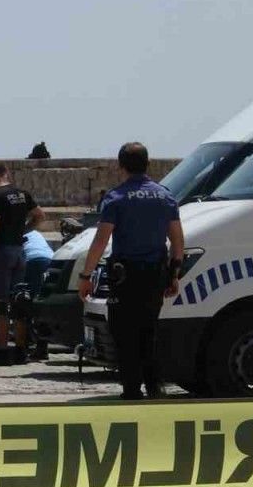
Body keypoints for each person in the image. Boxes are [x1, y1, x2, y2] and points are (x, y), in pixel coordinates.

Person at [77, 142, 184, 400]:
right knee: (149, 330)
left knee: (124, 332)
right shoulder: (165, 196)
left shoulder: (116, 198)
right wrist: (174, 274)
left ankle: (132, 390)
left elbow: (100, 241)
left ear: (121, 166)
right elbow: (177, 241)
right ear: (148, 164)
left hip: (125, 277)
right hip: (155, 275)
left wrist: (85, 276)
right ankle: (154, 387)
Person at [0, 164, 45, 366]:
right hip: (19, 251)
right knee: (18, 300)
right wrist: (22, 230)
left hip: (1, 253)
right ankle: (21, 350)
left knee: (0, 303)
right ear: (7, 174)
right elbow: (40, 216)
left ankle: (3, 351)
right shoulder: (23, 194)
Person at [22, 229, 54, 360]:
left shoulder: (15, 231)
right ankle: (42, 346)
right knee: (42, 304)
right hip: (50, 260)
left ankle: (27, 343)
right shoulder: (35, 232)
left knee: (26, 303)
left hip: (32, 262)